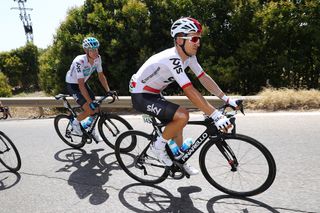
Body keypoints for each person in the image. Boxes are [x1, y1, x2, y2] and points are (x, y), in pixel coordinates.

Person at [129, 17, 238, 175]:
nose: (198, 43)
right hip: (141, 96)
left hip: (154, 93)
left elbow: (203, 77)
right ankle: (157, 147)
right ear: (180, 40)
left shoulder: (189, 57)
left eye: (199, 38)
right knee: (182, 115)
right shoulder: (172, 58)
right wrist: (214, 115)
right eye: (194, 38)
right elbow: (189, 90)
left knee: (178, 124)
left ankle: (179, 159)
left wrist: (226, 99)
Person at [65, 37, 114, 141]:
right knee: (89, 108)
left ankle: (92, 130)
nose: (95, 52)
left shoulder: (98, 58)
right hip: (73, 85)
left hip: (83, 83)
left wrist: (108, 90)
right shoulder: (79, 61)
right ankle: (75, 123)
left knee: (95, 109)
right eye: (92, 50)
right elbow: (81, 85)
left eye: (96, 49)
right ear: (86, 51)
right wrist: (89, 101)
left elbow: (101, 76)